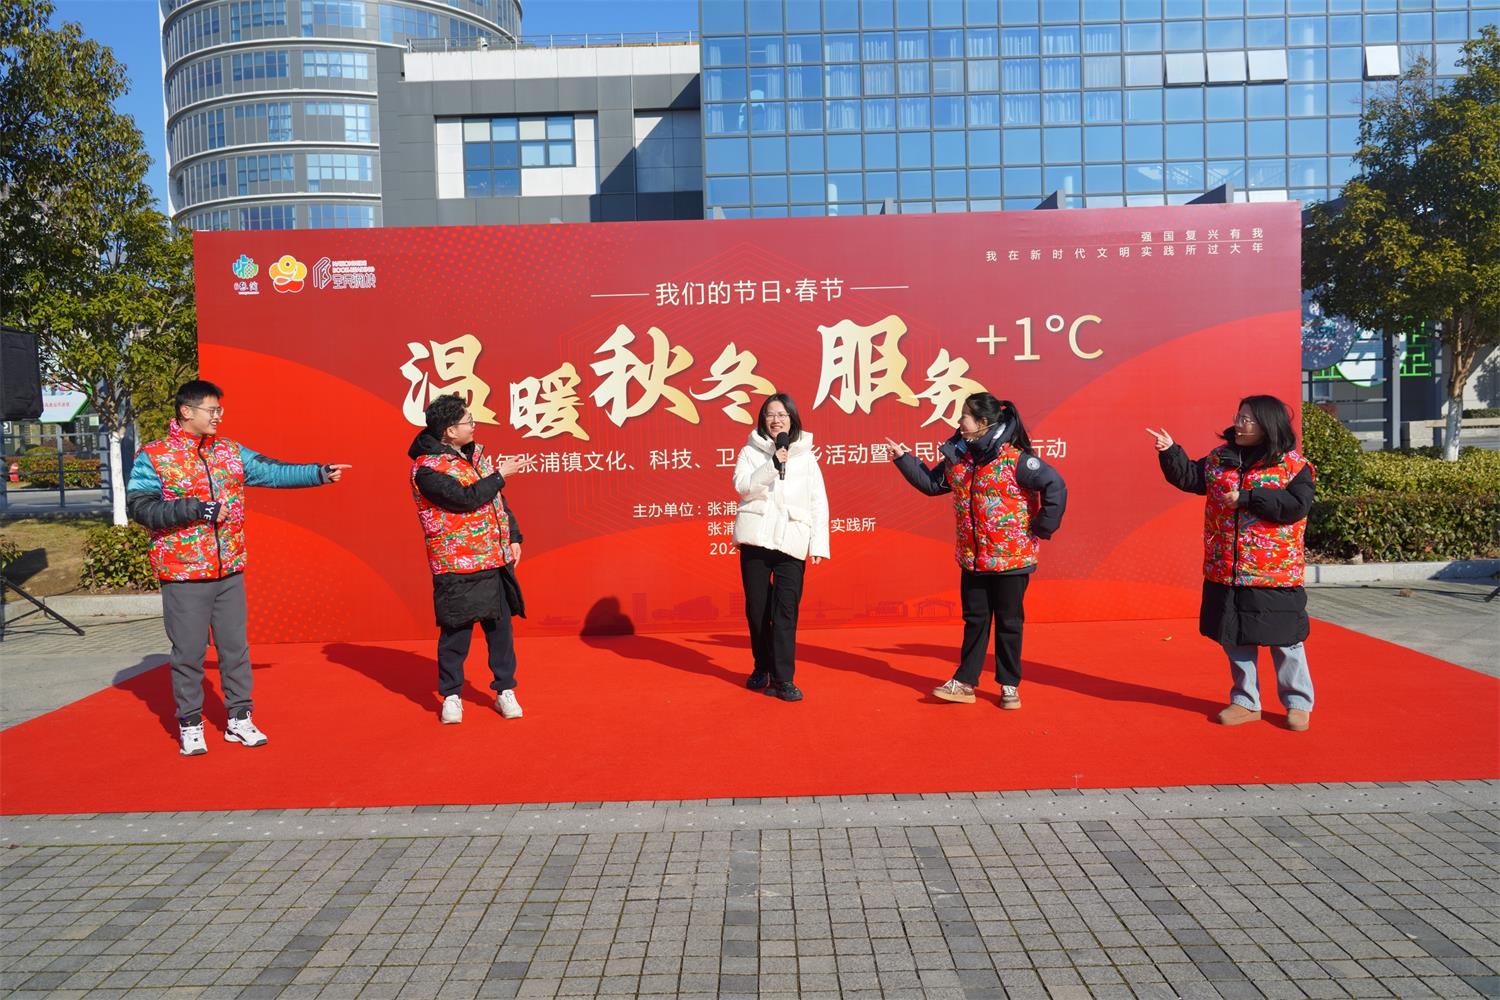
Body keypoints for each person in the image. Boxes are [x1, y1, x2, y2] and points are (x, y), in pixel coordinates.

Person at [126, 380, 350, 756]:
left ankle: (239, 719)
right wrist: (193, 508)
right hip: (184, 572)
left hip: (228, 569)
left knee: (235, 650)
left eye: (220, 410)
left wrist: (318, 473)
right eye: (212, 410)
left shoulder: (229, 452)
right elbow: (141, 507)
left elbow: (272, 471)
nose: (218, 416)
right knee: (189, 653)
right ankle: (191, 724)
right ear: (186, 411)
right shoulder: (155, 456)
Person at [886, 393, 1066, 709]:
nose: (959, 422)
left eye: (964, 417)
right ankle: (965, 682)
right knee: (975, 620)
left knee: (1009, 623)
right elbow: (932, 485)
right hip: (973, 558)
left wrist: (1042, 527)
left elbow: (1056, 486)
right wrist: (904, 459)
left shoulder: (1015, 460)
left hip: (1011, 559)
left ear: (982, 422)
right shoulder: (959, 458)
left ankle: (1009, 685)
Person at [1149, 394, 1317, 731]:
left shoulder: (1293, 465)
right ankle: (1245, 700)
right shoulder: (1220, 458)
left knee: (1285, 638)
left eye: (1247, 419)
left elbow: (1296, 506)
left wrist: (1249, 498)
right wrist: (1170, 452)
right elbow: (1190, 478)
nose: (1239, 424)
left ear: (1267, 424)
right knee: (1235, 637)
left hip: (1273, 572)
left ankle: (1298, 703)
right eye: (1239, 417)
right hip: (1226, 567)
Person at [409, 393, 526, 725]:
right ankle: (451, 696)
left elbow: (497, 501)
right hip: (456, 564)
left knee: (500, 632)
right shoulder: (427, 468)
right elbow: (464, 499)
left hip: (494, 558)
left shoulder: (476, 455)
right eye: (468, 421)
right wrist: (500, 475)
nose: (474, 426)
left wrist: (513, 536)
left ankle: (505, 690)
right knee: (456, 635)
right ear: (449, 430)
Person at [731, 393, 830, 702]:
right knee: (757, 611)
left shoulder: (806, 457)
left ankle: (784, 679)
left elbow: (818, 501)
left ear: (792, 420)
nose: (776, 420)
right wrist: (773, 464)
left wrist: (818, 543)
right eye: (770, 415)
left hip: (792, 540)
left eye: (782, 415)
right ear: (763, 420)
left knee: (785, 612)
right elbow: (743, 487)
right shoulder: (750, 452)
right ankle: (762, 667)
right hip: (756, 541)